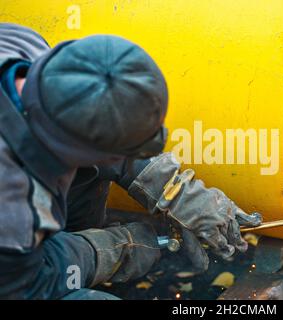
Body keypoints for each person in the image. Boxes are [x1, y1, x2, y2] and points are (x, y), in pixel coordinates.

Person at [0, 23, 262, 299]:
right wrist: (115, 249)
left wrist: (176, 193)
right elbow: (30, 284)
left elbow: (89, 113)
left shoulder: (21, 43)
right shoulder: (14, 211)